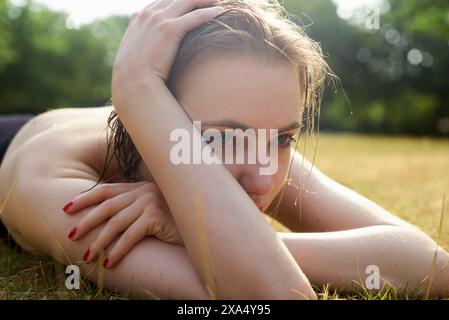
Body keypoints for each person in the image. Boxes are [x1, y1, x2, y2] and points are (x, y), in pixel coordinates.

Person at [0, 0, 448, 300]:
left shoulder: (255, 149)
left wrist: (193, 227)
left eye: (283, 138)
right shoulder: (58, 181)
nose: (262, 178)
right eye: (219, 138)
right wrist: (136, 82)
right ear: (150, 116)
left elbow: (430, 264)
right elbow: (271, 293)